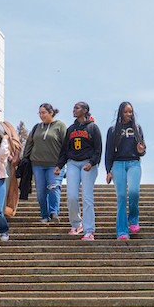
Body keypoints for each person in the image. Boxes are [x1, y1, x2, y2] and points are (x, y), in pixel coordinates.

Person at [54, 102, 102, 241]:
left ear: (85, 110)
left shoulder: (93, 128)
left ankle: (89, 231)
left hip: (88, 164)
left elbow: (98, 150)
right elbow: (64, 151)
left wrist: (92, 162)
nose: (74, 110)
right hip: (73, 164)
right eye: (74, 107)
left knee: (87, 197)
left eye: (77, 108)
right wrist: (59, 165)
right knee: (72, 196)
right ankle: (76, 224)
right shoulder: (70, 129)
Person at [105, 101, 147, 240]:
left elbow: (142, 149)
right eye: (126, 112)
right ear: (121, 113)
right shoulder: (112, 130)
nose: (128, 114)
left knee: (134, 192)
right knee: (121, 197)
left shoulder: (137, 128)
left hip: (134, 163)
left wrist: (141, 150)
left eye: (130, 112)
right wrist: (108, 170)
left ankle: (134, 219)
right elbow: (109, 152)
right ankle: (122, 231)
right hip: (118, 165)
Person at [23, 103, 67, 224]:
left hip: (55, 164)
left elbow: (66, 146)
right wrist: (25, 158)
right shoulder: (37, 127)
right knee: (41, 192)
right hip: (37, 164)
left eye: (44, 113)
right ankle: (44, 215)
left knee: (53, 188)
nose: (41, 115)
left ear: (51, 112)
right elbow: (29, 144)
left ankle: (54, 213)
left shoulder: (60, 126)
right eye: (40, 113)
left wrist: (63, 162)